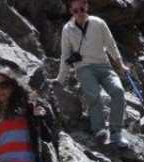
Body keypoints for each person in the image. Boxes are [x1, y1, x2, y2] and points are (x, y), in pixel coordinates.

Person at [55, 0, 130, 146]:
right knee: (93, 94)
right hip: (83, 68)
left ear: (87, 7)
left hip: (104, 66)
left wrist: (120, 65)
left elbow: (110, 44)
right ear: (71, 11)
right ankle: (99, 130)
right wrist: (60, 78)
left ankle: (116, 132)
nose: (79, 13)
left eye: (81, 9)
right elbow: (65, 55)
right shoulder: (67, 30)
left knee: (118, 91)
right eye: (75, 11)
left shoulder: (98, 23)